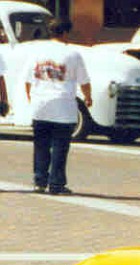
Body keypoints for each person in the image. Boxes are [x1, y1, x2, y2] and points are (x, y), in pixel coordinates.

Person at [22, 18, 90, 195]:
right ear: (65, 33)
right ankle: (56, 183)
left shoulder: (36, 53)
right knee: (60, 146)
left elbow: (28, 80)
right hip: (63, 106)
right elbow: (84, 81)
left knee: (41, 145)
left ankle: (39, 181)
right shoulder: (73, 55)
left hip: (40, 105)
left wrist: (32, 97)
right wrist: (88, 97)